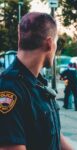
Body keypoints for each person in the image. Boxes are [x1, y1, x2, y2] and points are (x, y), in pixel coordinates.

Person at [0, 12, 73, 150]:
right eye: (56, 42)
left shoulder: (38, 84)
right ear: (49, 44)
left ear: (19, 38)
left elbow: (52, 134)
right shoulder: (9, 90)